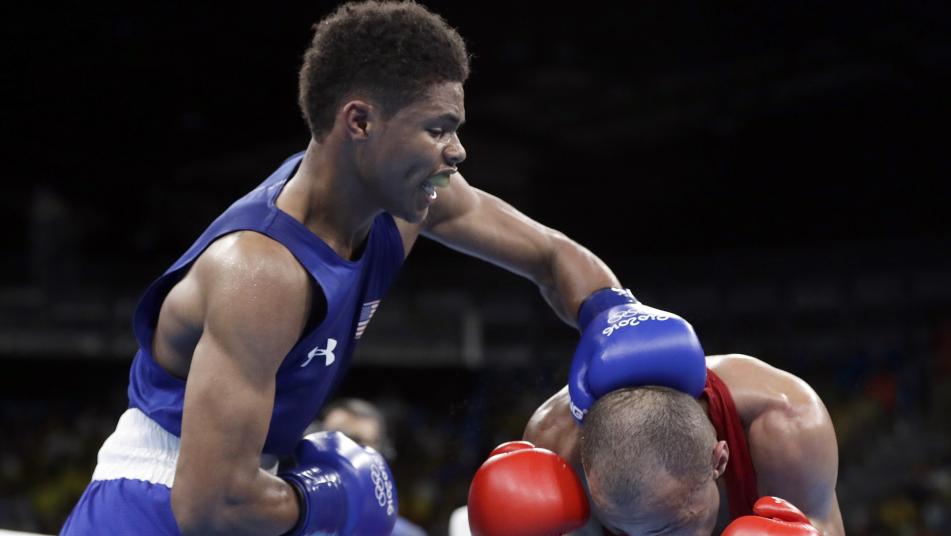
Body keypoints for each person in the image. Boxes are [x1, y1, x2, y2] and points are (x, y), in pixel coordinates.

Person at [60, 2, 627, 535]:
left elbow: (553, 256)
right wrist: (329, 497)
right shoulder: (261, 273)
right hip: (159, 505)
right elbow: (211, 505)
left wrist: (616, 318)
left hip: (252, 489)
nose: (457, 151)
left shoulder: (408, 202)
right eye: (437, 128)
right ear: (360, 122)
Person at [469, 301, 844, 535]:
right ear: (588, 470)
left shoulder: (785, 422)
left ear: (719, 458)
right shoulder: (554, 448)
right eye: (628, 532)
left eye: (671, 529)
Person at [311, 398, 426, 536]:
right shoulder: (286, 513)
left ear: (381, 456)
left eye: (357, 442)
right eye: (334, 440)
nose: (343, 453)